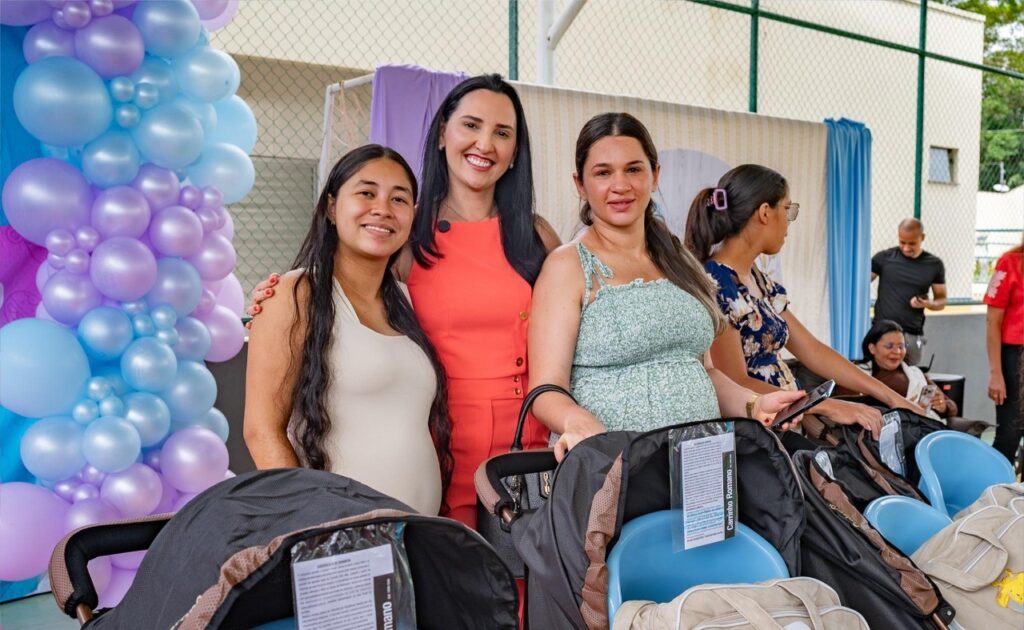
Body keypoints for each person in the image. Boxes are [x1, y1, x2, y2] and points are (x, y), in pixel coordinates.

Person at [248, 75, 561, 528]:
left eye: (502, 133)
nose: (484, 143)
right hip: (444, 443)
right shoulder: (407, 236)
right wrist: (279, 298)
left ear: (516, 152)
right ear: (442, 134)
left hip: (529, 443)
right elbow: (342, 288)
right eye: (471, 125)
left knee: (533, 585)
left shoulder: (536, 235)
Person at [528, 113, 805, 459]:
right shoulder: (567, 265)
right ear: (580, 184)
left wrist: (755, 403)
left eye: (633, 169)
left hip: (701, 466)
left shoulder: (681, 261)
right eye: (603, 172)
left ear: (655, 174)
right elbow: (544, 390)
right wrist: (575, 419)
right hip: (614, 469)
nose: (621, 185)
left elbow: (703, 372)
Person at [243, 145, 453, 516]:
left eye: (399, 199)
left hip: (420, 535)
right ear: (331, 207)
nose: (383, 209)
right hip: (338, 541)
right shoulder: (296, 294)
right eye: (366, 193)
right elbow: (262, 431)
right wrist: (309, 524)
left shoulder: (409, 301)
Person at [684, 164, 924, 439]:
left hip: (784, 425)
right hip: (751, 436)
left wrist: (889, 395)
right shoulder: (715, 285)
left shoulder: (758, 281)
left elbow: (812, 349)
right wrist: (827, 406)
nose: (788, 222)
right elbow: (734, 382)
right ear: (765, 212)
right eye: (787, 210)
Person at [870, 218, 947, 366]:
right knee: (881, 378)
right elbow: (859, 282)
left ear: (922, 238)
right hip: (882, 332)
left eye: (912, 243)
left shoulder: (934, 264)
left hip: (911, 335)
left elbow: (941, 300)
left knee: (910, 380)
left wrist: (928, 303)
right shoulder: (884, 258)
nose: (906, 248)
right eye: (902, 242)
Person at [861, 320, 957, 419]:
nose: (897, 352)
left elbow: (951, 406)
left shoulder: (915, 373)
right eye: (889, 346)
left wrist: (943, 406)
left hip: (927, 425)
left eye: (901, 346)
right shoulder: (861, 376)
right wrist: (905, 409)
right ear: (872, 348)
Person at [984, 239, 1023, 464]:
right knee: (1008, 436)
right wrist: (996, 373)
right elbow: (992, 321)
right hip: (1014, 358)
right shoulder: (1010, 262)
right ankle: (995, 494)